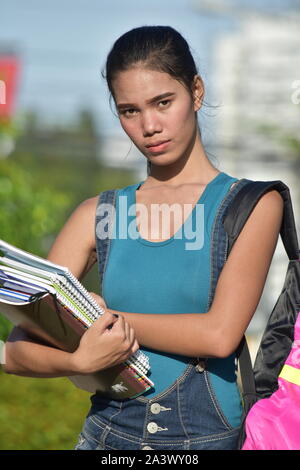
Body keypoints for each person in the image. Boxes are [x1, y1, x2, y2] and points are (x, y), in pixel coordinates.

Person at [3, 25, 284, 451]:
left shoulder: (252, 204)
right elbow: (16, 349)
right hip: (105, 436)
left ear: (197, 91)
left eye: (163, 102)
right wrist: (77, 359)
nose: (149, 125)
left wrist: (104, 321)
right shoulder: (96, 215)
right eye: (129, 110)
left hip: (204, 441)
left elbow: (219, 335)